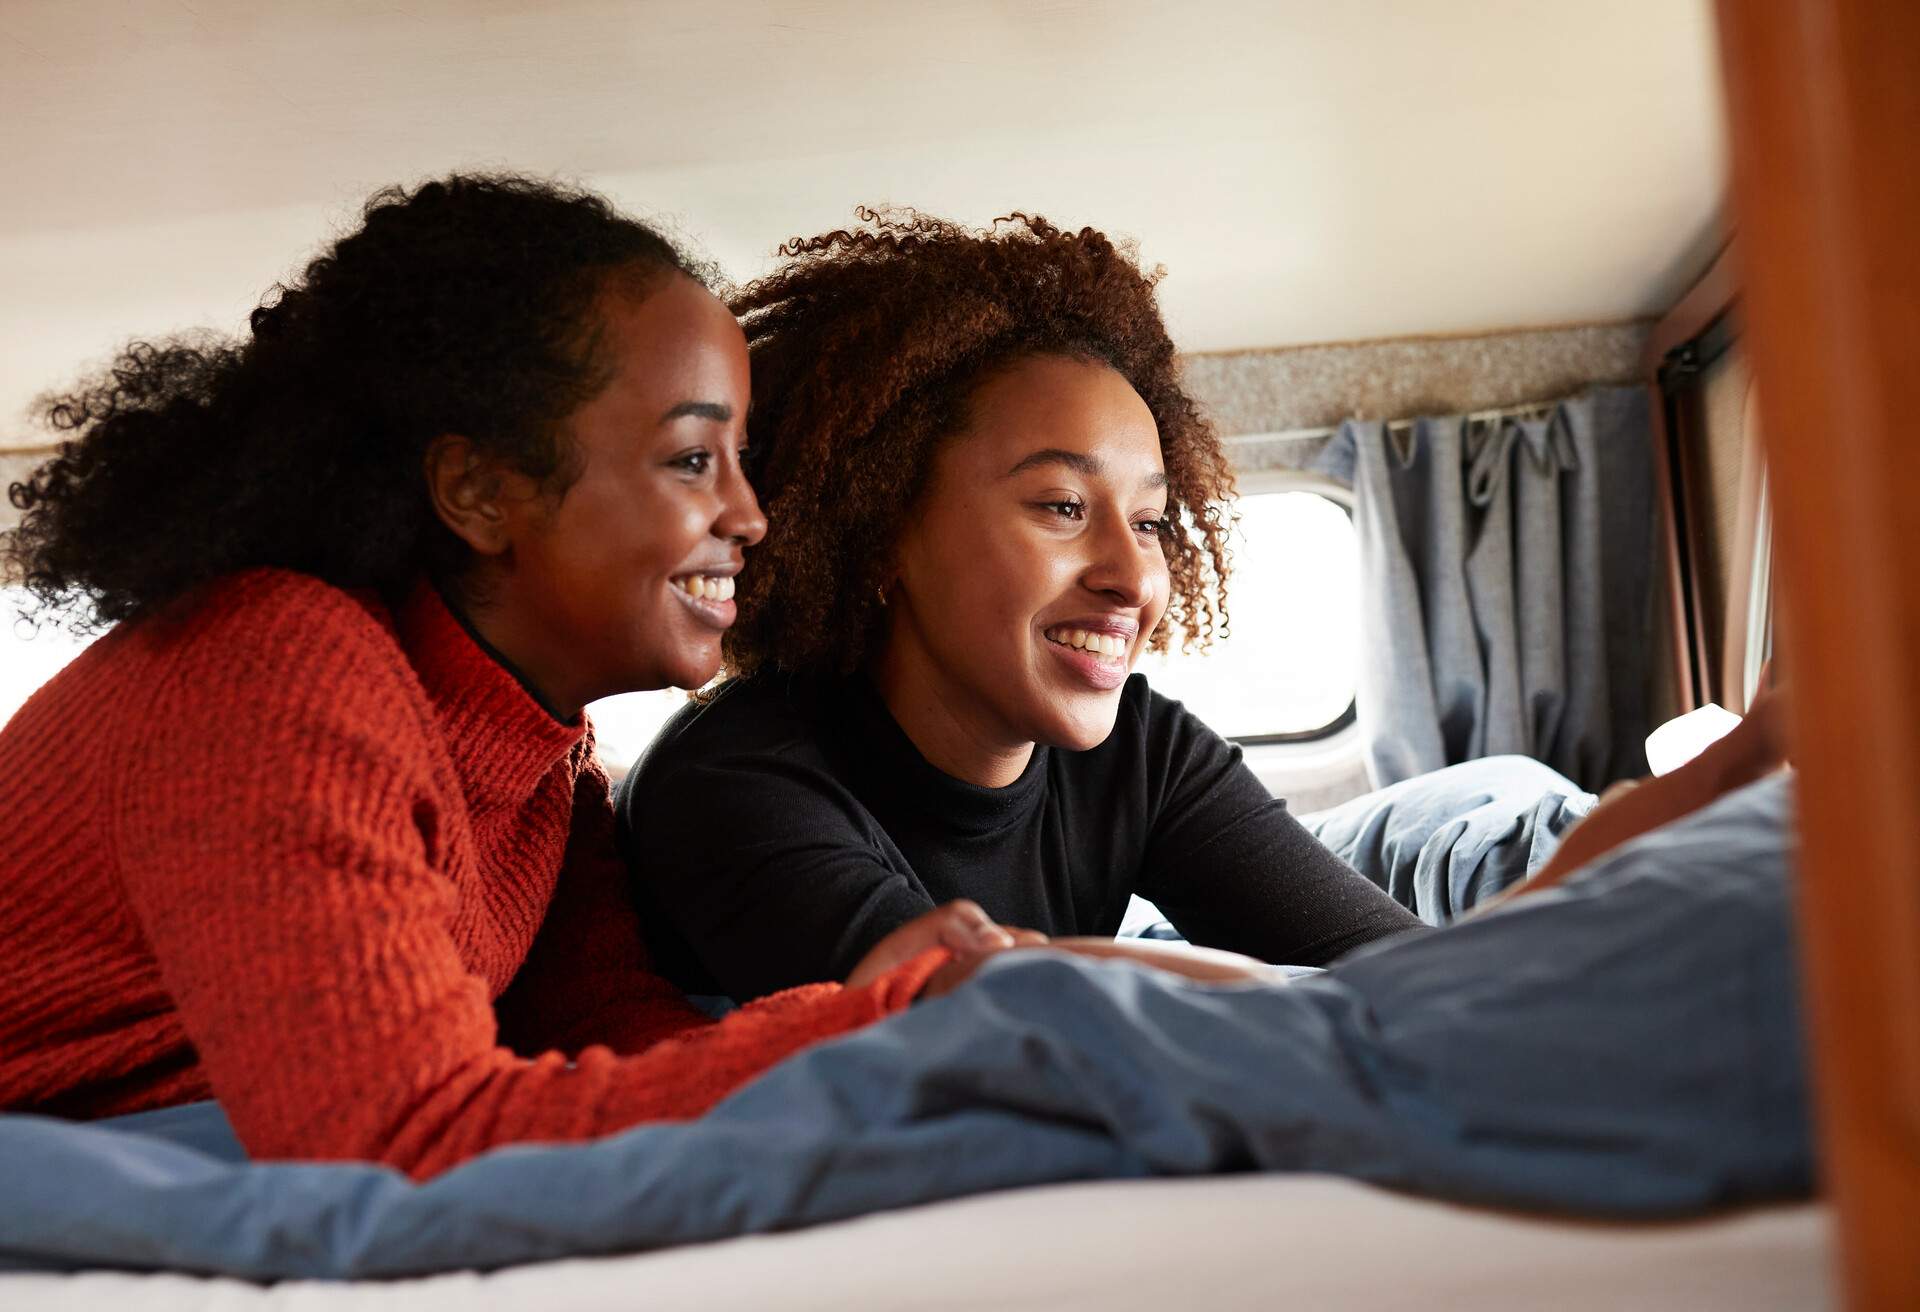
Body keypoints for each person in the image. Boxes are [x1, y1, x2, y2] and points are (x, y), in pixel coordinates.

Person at [0, 175, 1029, 1180]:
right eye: (689, 460)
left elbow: (604, 1027)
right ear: (478, 491)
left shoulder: (545, 753)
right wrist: (880, 1020)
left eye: (742, 460)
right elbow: (408, 1144)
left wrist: (874, 1012)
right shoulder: (267, 673)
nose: (751, 517)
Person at [618, 210, 1430, 1005]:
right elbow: (1005, 1036)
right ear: (883, 531)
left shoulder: (1140, 758)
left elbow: (1416, 982)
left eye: (1147, 523)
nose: (1133, 576)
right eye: (1063, 507)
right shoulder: (734, 787)